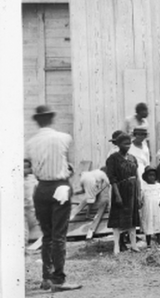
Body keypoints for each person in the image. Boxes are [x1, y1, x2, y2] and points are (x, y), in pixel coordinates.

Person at [26, 105, 82, 292]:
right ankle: (58, 279)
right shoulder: (64, 138)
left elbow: (29, 166)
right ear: (51, 119)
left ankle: (46, 278)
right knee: (58, 236)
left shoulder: (31, 142)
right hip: (59, 187)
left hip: (41, 188)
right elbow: (70, 165)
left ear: (37, 121)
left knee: (47, 236)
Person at [105, 133, 142, 254]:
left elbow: (137, 177)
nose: (128, 146)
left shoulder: (132, 158)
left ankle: (133, 245)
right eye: (125, 144)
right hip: (120, 189)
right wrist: (117, 195)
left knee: (132, 218)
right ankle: (116, 246)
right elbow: (112, 179)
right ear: (119, 145)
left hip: (132, 190)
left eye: (129, 143)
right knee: (118, 219)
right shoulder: (113, 159)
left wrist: (139, 195)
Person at [140, 166, 160, 246]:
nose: (151, 177)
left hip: (157, 208)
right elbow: (140, 198)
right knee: (148, 224)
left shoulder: (159, 186)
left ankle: (159, 242)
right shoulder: (143, 187)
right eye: (149, 175)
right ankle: (148, 244)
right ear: (146, 177)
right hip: (147, 209)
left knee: (158, 223)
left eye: (153, 175)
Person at [24, 159, 40, 246]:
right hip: (21, 208)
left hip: (31, 207)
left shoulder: (33, 179)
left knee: (32, 226)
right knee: (23, 229)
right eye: (23, 167)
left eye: (27, 167)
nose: (25, 170)